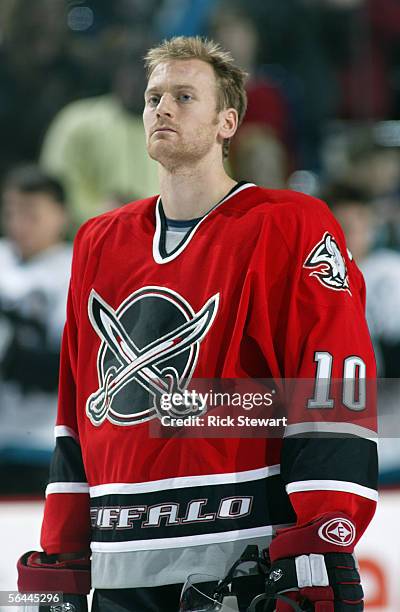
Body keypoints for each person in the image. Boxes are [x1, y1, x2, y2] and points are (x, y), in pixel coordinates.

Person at [18, 37, 377, 611]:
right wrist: (62, 558)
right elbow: (79, 404)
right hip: (118, 559)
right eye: (153, 96)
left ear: (226, 123)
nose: (162, 108)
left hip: (237, 553)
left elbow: (333, 380)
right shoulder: (98, 241)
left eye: (184, 96)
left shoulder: (289, 224)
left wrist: (321, 538)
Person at [0, 165, 72, 492]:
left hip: (43, 442)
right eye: (12, 212)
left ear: (60, 215)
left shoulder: (76, 268)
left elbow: (71, 367)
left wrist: (11, 353)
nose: (18, 224)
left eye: (31, 214)